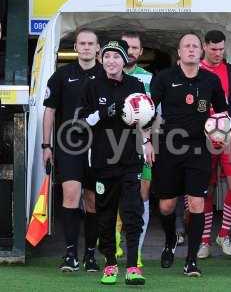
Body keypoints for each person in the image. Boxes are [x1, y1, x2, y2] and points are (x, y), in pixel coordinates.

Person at [150, 33, 228, 277]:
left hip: (199, 149)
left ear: (201, 51)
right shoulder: (164, 78)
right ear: (179, 52)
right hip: (169, 148)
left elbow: (222, 115)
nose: (192, 50)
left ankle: (191, 260)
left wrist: (223, 136)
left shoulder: (211, 81)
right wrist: (146, 141)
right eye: (187, 46)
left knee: (196, 204)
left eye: (195, 46)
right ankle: (170, 239)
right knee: (166, 206)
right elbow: (148, 112)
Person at [79, 40, 153, 285]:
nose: (111, 61)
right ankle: (110, 264)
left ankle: (132, 266)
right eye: (107, 56)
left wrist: (147, 135)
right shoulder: (92, 85)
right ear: (102, 59)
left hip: (131, 159)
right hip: (102, 161)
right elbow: (82, 121)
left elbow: (147, 119)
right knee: (106, 215)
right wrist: (104, 112)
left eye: (116, 57)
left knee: (132, 212)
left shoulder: (135, 85)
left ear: (125, 60)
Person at [42, 28, 101, 272]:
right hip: (69, 145)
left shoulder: (107, 74)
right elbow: (49, 111)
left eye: (91, 44)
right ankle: (70, 254)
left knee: (92, 200)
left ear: (98, 48)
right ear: (76, 47)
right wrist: (46, 145)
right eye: (82, 43)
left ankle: (89, 254)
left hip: (101, 148)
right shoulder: (61, 75)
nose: (86, 47)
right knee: (70, 194)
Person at [197, 30, 231, 259]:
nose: (217, 53)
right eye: (213, 49)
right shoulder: (195, 70)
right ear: (204, 46)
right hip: (202, 141)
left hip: (227, 138)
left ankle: (223, 234)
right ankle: (204, 240)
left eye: (221, 49)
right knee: (206, 188)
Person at [113, 31, 153, 269]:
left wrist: (149, 142)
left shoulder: (148, 78)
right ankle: (115, 237)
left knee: (142, 196)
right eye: (126, 46)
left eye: (135, 47)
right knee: (115, 193)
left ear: (140, 51)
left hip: (140, 144)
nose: (130, 51)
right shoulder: (107, 75)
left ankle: (135, 250)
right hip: (111, 145)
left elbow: (153, 114)